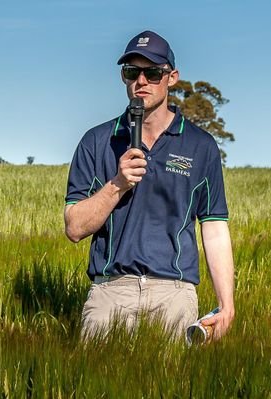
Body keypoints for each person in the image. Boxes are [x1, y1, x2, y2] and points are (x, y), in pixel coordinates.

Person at [64, 30, 235, 340]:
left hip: (174, 292)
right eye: (132, 71)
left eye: (152, 72)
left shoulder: (201, 146)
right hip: (110, 290)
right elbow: (74, 228)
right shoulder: (96, 141)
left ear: (171, 77)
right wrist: (117, 184)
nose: (141, 81)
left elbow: (214, 228)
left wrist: (227, 304)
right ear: (123, 77)